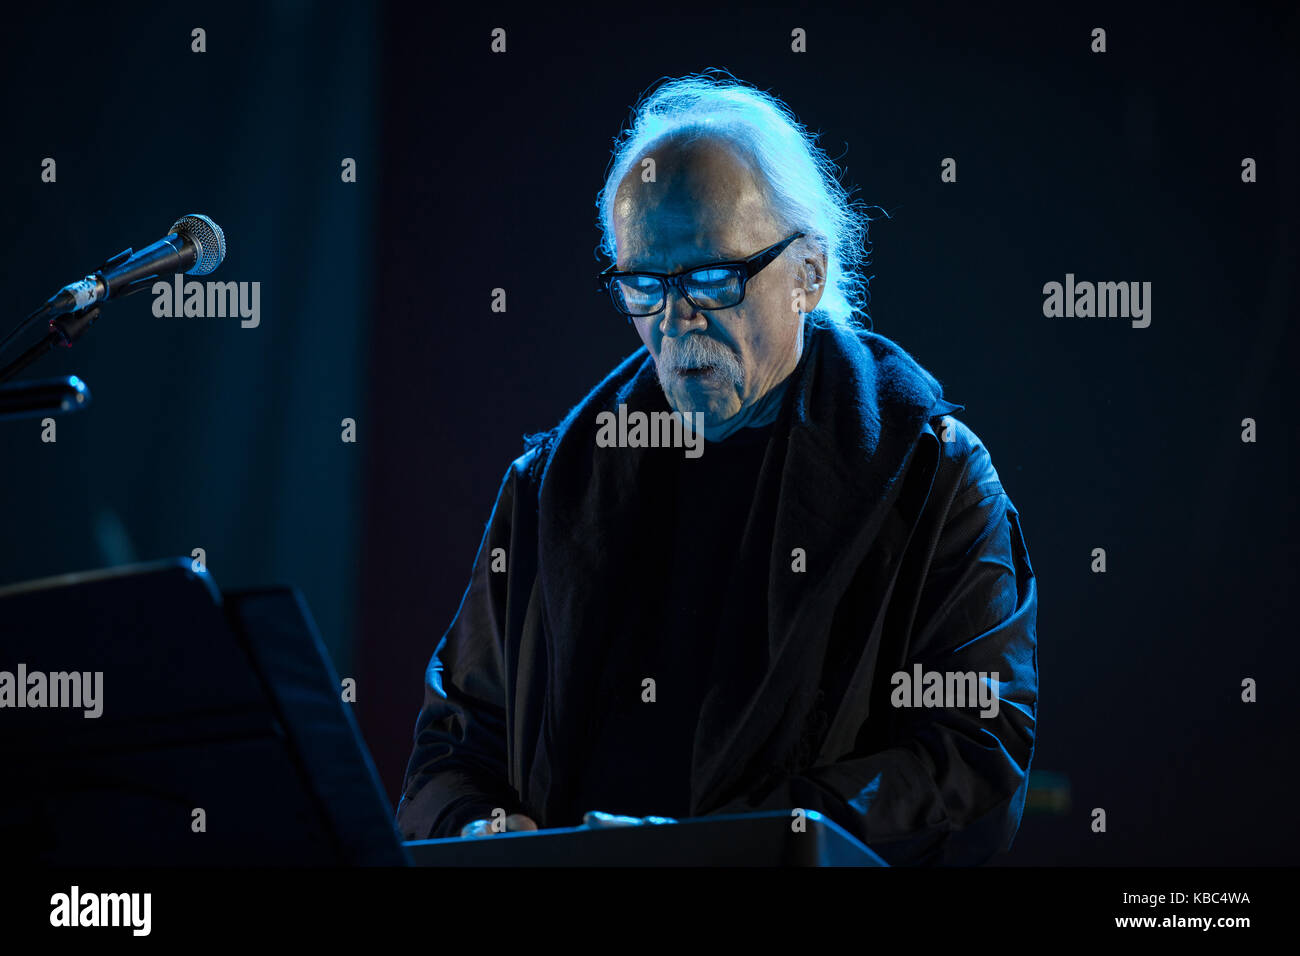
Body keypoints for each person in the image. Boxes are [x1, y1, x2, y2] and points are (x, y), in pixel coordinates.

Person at [395, 71, 1038, 865]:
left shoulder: (930, 476)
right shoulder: (548, 487)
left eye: (710, 277)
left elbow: (972, 751)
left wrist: (714, 853)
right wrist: (480, 833)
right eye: (643, 284)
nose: (674, 318)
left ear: (809, 273)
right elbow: (455, 745)